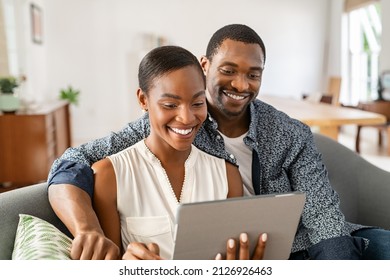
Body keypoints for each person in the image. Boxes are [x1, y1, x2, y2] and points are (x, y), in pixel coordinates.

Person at [48, 23, 390, 260]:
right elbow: (71, 161)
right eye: (228, 70)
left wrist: (339, 267)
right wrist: (87, 229)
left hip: (304, 246)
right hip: (230, 257)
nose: (241, 84)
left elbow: (322, 214)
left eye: (253, 74)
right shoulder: (180, 122)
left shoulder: (289, 133)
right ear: (205, 65)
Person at [90, 45, 266, 260]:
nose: (187, 117)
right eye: (170, 104)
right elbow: (109, 261)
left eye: (198, 103)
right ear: (143, 100)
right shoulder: (109, 176)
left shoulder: (228, 176)